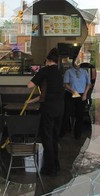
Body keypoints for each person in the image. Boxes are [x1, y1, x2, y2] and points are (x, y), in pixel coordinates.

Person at [27, 48, 64, 177]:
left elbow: (30, 85)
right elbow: (52, 91)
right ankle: (56, 165)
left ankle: (50, 169)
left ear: (48, 60)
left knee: (46, 137)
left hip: (48, 108)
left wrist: (38, 74)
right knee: (54, 137)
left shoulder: (45, 71)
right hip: (60, 108)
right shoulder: (59, 73)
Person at [60, 55, 91, 139]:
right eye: (76, 61)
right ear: (73, 62)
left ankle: (78, 135)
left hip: (81, 95)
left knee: (79, 115)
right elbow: (65, 84)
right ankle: (62, 133)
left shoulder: (84, 72)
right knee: (67, 114)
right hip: (70, 94)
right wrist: (73, 91)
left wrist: (85, 94)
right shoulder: (68, 72)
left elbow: (88, 84)